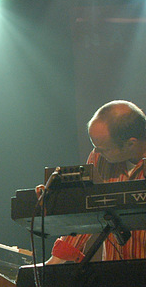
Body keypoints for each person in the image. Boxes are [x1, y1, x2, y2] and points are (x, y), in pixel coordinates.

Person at [46, 100, 146, 264]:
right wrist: (55, 262)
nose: (96, 152)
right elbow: (88, 211)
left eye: (104, 148)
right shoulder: (99, 157)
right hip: (115, 273)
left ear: (131, 143)